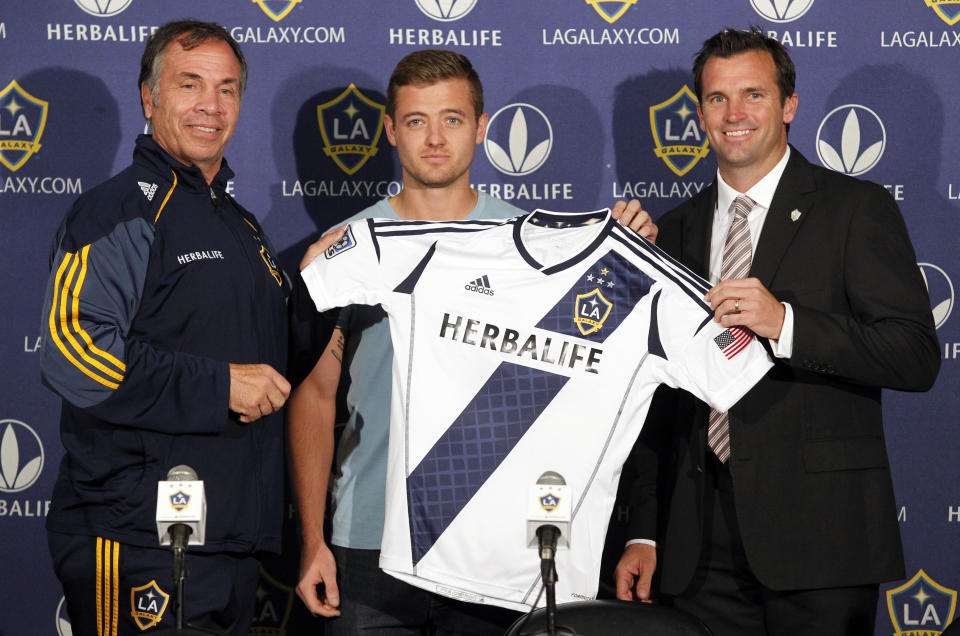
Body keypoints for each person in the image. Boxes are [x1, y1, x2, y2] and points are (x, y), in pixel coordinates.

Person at [288, 49, 655, 634]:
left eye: (452, 119)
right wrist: (313, 540)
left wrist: (627, 260)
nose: (435, 139)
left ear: (482, 129)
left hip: (492, 544)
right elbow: (314, 397)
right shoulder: (348, 250)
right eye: (416, 121)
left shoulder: (540, 249)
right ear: (390, 131)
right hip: (367, 541)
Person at [613, 27, 940, 636]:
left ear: (788, 106)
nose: (734, 114)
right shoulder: (672, 233)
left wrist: (785, 323)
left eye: (753, 95)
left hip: (821, 547)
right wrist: (642, 529)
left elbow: (915, 356)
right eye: (717, 98)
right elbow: (651, 403)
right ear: (701, 112)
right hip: (695, 552)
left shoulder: (855, 208)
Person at [40, 20, 290, 636]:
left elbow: (267, 364)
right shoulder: (119, 208)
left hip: (225, 545)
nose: (212, 105)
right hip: (135, 537)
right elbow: (76, 355)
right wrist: (217, 387)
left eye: (227, 89)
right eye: (191, 84)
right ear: (150, 98)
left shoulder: (240, 224)